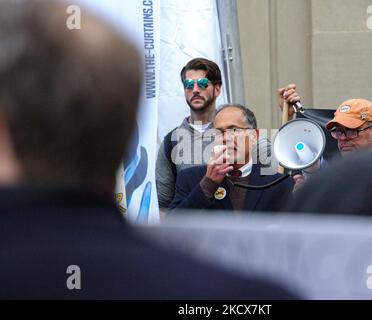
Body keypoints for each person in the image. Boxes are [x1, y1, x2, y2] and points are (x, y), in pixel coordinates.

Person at [0, 0, 297, 299]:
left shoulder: (275, 178)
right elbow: (169, 215)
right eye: (187, 84)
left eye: (234, 131)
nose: (195, 89)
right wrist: (208, 183)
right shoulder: (181, 158)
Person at [156, 58, 270, 210]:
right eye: (188, 85)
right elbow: (164, 206)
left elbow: (280, 172)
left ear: (217, 89)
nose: (195, 90)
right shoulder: (171, 141)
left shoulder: (243, 133)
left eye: (202, 84)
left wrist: (290, 117)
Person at [170, 104, 294, 212]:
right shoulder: (190, 179)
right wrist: (208, 184)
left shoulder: (279, 183)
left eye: (233, 130)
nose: (225, 138)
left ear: (254, 136)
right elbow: (173, 228)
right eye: (218, 132)